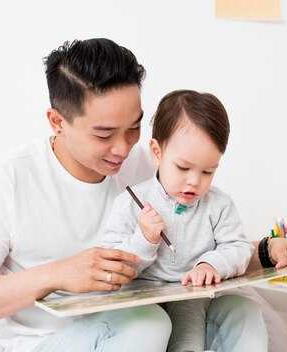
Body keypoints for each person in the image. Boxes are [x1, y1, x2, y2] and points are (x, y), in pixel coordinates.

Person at [0, 38, 287, 352]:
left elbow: (193, 251)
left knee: (240, 313)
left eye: (133, 128)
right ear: (57, 122)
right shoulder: (8, 179)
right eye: (104, 134)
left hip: (154, 322)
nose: (123, 148)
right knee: (145, 322)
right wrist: (59, 273)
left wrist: (266, 251)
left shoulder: (153, 167)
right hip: (51, 341)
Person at [100, 89, 266, 352]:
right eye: (183, 168)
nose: (194, 181)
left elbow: (237, 247)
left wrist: (210, 265)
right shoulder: (131, 203)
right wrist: (143, 240)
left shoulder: (218, 204)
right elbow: (112, 264)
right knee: (152, 329)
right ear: (157, 152)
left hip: (191, 296)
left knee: (198, 332)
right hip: (141, 301)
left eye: (207, 171)